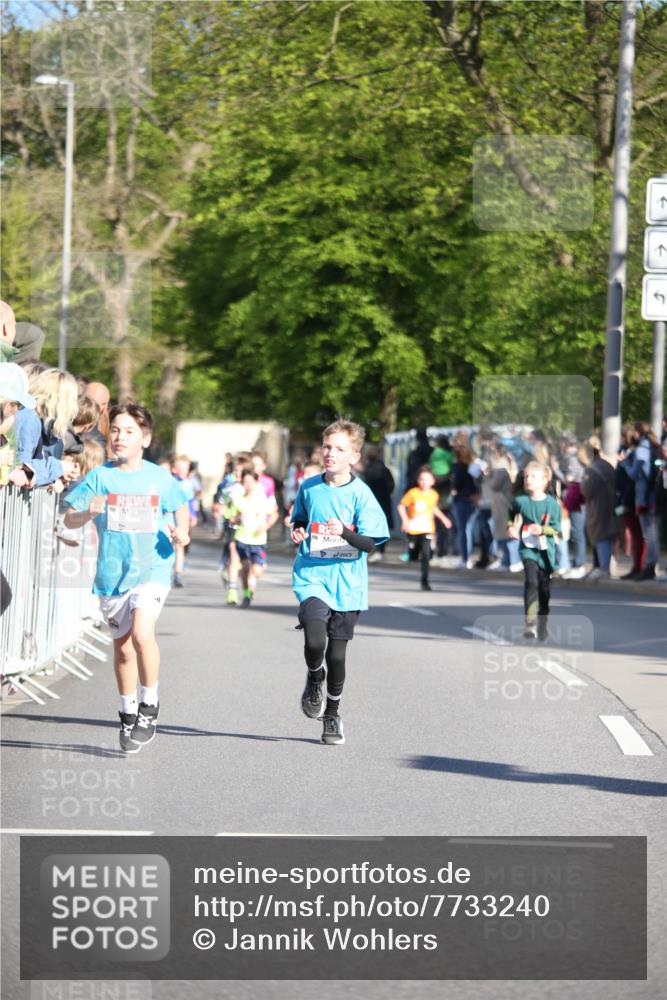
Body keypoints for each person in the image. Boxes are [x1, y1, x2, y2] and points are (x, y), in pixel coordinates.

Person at [63, 403, 190, 753]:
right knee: (122, 650)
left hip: (153, 569)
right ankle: (128, 709)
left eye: (129, 431)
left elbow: (180, 505)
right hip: (113, 574)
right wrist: (89, 511)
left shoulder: (159, 477)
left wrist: (182, 530)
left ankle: (150, 704)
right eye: (115, 430)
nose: (119, 437)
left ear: (145, 438)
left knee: (141, 634)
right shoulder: (100, 477)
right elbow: (68, 519)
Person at [290, 419, 389, 746]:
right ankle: (314, 677)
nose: (330, 453)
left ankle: (332, 714)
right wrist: (299, 530)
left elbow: (370, 544)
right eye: (327, 446)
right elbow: (300, 518)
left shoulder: (362, 494)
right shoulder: (308, 487)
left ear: (355, 456)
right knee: (315, 641)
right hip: (312, 577)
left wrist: (343, 531)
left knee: (337, 656)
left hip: (347, 583)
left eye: (340, 449)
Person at [507, 460, 561, 642]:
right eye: (526, 476)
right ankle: (529, 622)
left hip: (546, 551)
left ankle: (542, 620)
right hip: (528, 548)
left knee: (544, 589)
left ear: (544, 480)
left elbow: (556, 528)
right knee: (531, 581)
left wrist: (543, 530)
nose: (528, 479)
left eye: (532, 476)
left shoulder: (552, 504)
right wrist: (511, 527)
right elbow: (510, 513)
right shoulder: (520, 501)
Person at [224, 468, 279, 607]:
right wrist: (236, 518)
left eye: (250, 481)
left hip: (258, 540)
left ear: (256, 482)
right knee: (245, 568)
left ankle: (252, 583)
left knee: (257, 570)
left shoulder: (262, 500)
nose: (248, 484)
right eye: (245, 482)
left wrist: (265, 526)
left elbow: (274, 514)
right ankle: (247, 592)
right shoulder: (238, 501)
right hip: (242, 538)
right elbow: (230, 518)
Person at [397, 466, 452, 590]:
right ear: (418, 480)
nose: (424, 482)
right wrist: (405, 520)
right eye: (422, 479)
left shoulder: (434, 494)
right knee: (414, 554)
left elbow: (433, 508)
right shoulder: (413, 493)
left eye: (427, 480)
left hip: (426, 528)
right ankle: (412, 552)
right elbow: (401, 506)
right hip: (413, 528)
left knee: (426, 555)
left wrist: (444, 519)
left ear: (432, 481)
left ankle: (425, 580)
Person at [581, 438, 619, 580]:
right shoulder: (606, 464)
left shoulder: (591, 469)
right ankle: (601, 566)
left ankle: (603, 567)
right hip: (610, 503)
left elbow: (586, 490)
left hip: (597, 506)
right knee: (607, 535)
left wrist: (581, 483)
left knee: (600, 535)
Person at [362, 445, 395, 562]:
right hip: (384, 499)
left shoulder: (367, 469)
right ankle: (381, 549)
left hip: (371, 500)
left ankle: (374, 550)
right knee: (383, 524)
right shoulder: (384, 469)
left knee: (370, 525)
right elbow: (391, 484)